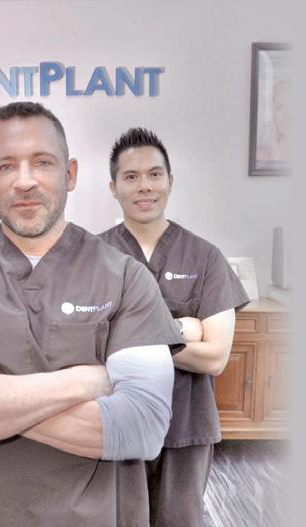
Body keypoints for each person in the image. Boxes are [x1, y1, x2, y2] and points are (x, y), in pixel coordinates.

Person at [0, 102, 184, 527]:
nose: (25, 181)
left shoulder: (126, 278)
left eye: (42, 163)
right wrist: (87, 381)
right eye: (6, 166)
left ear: (70, 173)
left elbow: (141, 427)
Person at [100, 127, 249, 527]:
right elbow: (83, 345)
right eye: (131, 177)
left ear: (170, 181)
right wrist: (180, 330)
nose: (144, 186)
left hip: (186, 426)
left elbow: (215, 358)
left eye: (154, 174)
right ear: (113, 187)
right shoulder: (93, 257)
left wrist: (128, 337)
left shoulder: (205, 257)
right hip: (116, 423)